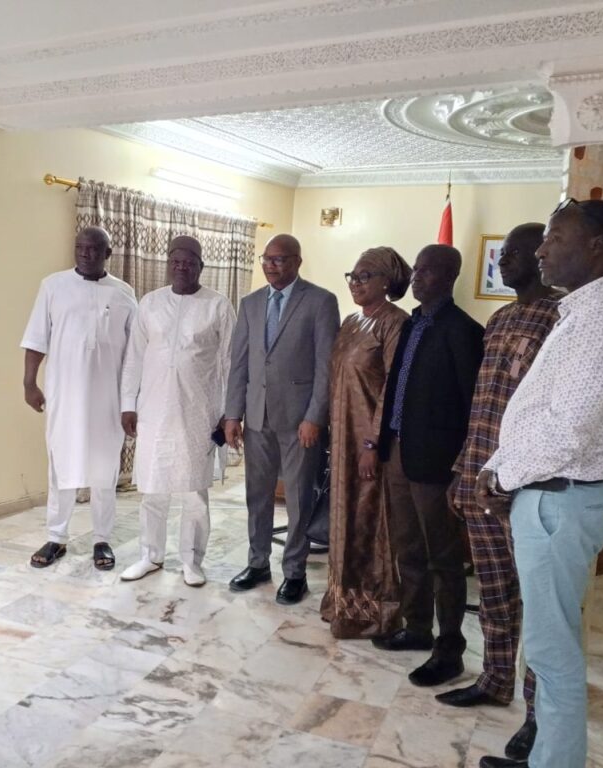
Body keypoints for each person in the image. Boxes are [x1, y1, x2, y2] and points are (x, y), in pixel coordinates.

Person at [475, 199, 603, 768]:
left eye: (554, 238)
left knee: (553, 656)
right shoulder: (586, 310)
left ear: (596, 245)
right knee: (550, 650)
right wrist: (500, 466)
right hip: (551, 495)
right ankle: (546, 758)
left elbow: (568, 429)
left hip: (560, 498)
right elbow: (543, 413)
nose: (542, 250)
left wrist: (503, 475)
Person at [436, 224, 560, 760]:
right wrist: (463, 471)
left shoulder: (559, 317)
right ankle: (494, 679)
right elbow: (481, 406)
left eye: (511, 253)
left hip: (524, 485)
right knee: (493, 590)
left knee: (537, 604)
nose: (502, 261)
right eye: (501, 253)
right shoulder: (500, 319)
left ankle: (537, 714)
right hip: (480, 478)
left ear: (539, 255)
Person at [374, 244, 484, 689]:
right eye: (416, 269)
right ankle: (416, 627)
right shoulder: (412, 323)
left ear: (450, 277)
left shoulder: (464, 331)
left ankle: (449, 648)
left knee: (443, 557)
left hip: (437, 461)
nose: (416, 277)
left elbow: (471, 405)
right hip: (399, 451)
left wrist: (462, 467)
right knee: (408, 547)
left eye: (427, 271)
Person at [224, 233, 340, 604]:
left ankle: (295, 572)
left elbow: (326, 367)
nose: (271, 266)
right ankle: (258, 563)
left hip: (299, 422)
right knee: (257, 495)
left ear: (297, 262)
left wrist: (314, 417)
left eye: (279, 259)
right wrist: (232, 414)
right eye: (267, 259)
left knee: (299, 499)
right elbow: (239, 363)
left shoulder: (320, 301)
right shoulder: (251, 303)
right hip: (257, 417)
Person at [118, 235, 236, 587]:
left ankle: (192, 562)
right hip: (153, 411)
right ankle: (150, 556)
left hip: (198, 412)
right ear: (168, 264)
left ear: (201, 265)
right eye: (175, 261)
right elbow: (134, 358)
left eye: (189, 262)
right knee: (152, 489)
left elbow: (231, 362)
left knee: (194, 492)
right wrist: (128, 404)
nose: (182, 267)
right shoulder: (150, 303)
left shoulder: (217, 306)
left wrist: (229, 411)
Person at [21, 226, 137, 572]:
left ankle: (102, 539)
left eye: (94, 249)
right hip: (64, 396)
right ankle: (56, 537)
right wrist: (29, 383)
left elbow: (135, 352)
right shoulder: (53, 286)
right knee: (60, 464)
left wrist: (131, 401)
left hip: (108, 399)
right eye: (80, 248)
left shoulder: (124, 293)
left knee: (105, 469)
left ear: (108, 254)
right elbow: (36, 339)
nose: (86, 254)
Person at [320, 247, 412, 638]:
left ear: (386, 282)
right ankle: (341, 602)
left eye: (364, 277)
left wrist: (373, 443)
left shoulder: (395, 323)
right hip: (343, 441)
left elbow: (395, 388)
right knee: (343, 520)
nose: (355, 284)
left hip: (370, 446)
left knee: (370, 523)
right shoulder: (351, 322)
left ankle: (375, 612)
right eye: (352, 277)